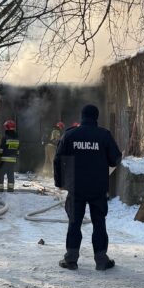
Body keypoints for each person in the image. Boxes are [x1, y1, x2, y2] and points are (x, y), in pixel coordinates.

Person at [54, 104, 123, 271]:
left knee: (74, 223)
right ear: (96, 117)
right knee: (99, 223)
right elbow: (115, 159)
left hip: (76, 188)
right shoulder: (104, 135)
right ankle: (101, 260)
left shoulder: (70, 135)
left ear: (82, 116)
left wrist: (60, 182)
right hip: (98, 189)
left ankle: (71, 259)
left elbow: (57, 160)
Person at [0, 120, 20, 193]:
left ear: (7, 128)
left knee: (0, 174)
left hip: (4, 160)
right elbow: (18, 150)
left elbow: (1, 150)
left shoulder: (5, 137)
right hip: (13, 160)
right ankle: (10, 189)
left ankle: (0, 189)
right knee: (10, 174)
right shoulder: (17, 138)